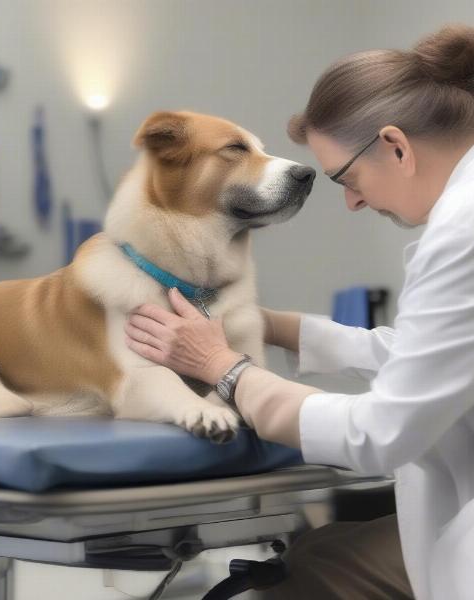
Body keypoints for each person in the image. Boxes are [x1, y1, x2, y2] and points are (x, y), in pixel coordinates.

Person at [124, 24, 474, 600]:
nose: (353, 201)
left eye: (348, 179)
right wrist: (267, 325)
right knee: (317, 555)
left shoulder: (460, 235)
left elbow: (379, 434)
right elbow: (431, 356)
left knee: (302, 574)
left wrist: (225, 369)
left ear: (396, 146)